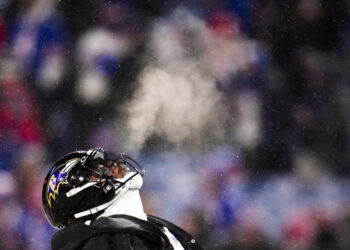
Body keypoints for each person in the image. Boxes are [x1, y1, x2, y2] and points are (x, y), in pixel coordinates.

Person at [42, 147, 203, 250]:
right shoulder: (108, 241)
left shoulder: (146, 228)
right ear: (78, 195)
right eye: (99, 170)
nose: (117, 168)